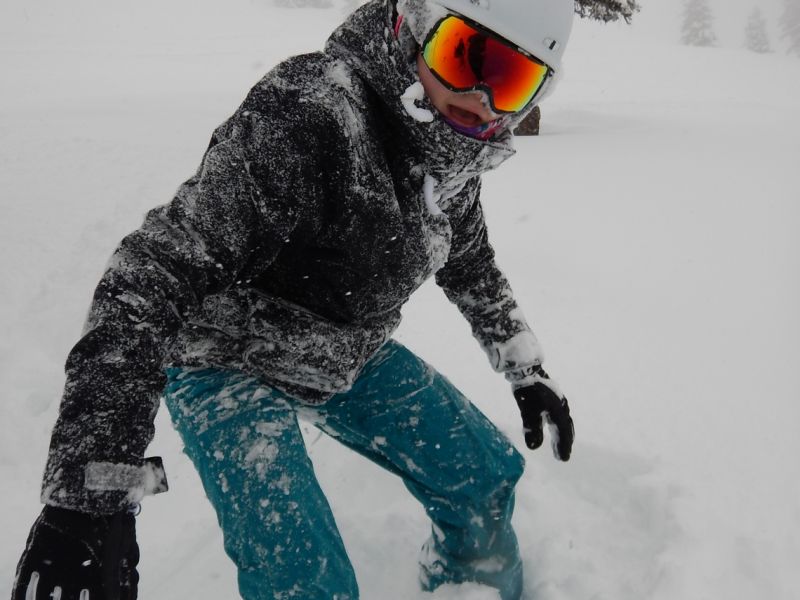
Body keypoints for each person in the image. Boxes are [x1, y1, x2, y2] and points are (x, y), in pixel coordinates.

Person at [11, 0, 576, 598]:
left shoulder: (449, 152)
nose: (482, 99)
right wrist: (92, 498)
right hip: (222, 360)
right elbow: (149, 276)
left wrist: (523, 365)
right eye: (462, 55)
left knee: (483, 477)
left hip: (340, 350)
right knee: (306, 581)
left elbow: (469, 261)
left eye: (512, 79)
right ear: (414, 25)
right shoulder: (310, 115)